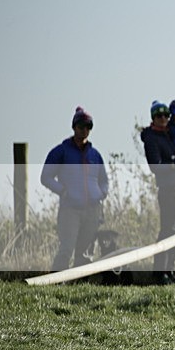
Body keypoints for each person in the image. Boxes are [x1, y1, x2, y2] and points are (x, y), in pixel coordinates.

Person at [41, 106, 109, 271]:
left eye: (88, 127)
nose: (84, 130)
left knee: (86, 251)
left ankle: (81, 282)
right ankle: (55, 280)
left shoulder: (95, 154)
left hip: (92, 209)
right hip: (70, 209)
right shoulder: (61, 151)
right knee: (67, 248)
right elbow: (46, 177)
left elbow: (104, 180)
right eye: (81, 126)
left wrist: (101, 194)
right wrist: (64, 192)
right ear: (74, 127)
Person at [141, 100, 175, 284]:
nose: (163, 119)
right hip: (169, 190)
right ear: (153, 118)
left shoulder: (173, 134)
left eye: (165, 115)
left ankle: (170, 270)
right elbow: (155, 166)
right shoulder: (151, 138)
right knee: (169, 230)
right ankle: (159, 272)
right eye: (158, 116)